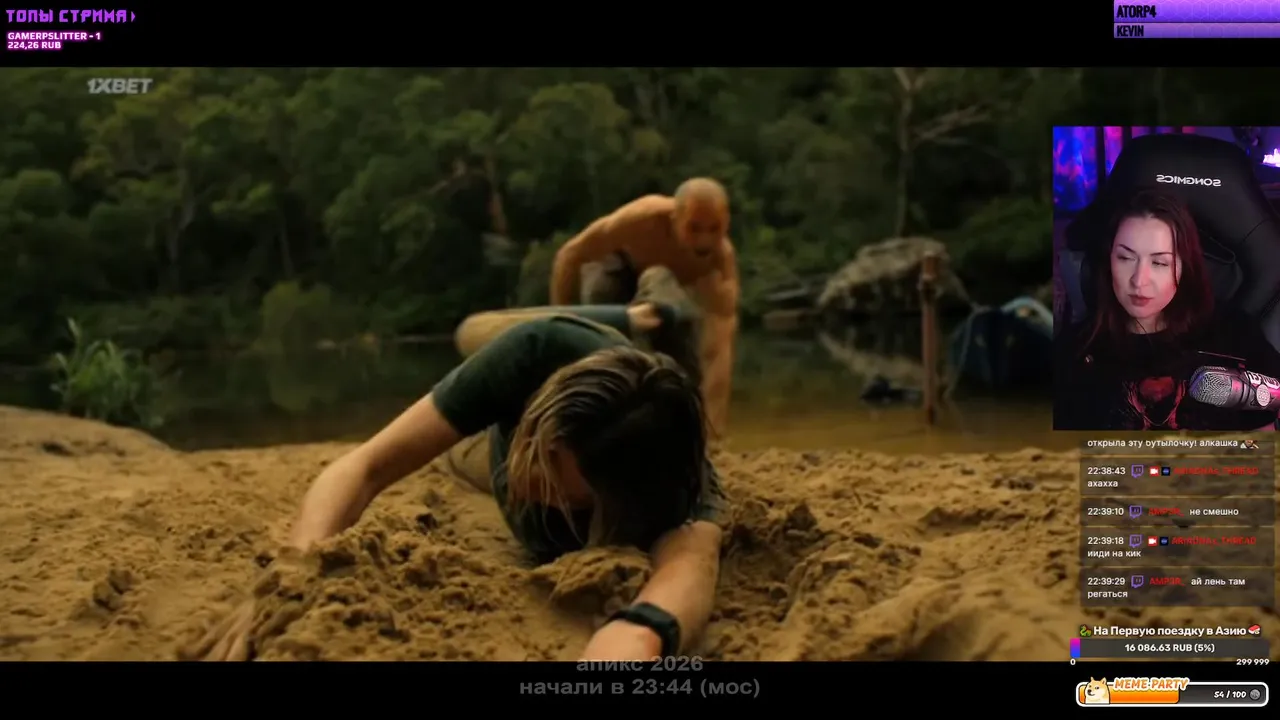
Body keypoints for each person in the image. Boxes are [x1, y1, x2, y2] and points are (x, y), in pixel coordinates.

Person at [186, 305, 728, 662]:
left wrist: (637, 634)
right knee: (476, 331)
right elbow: (365, 466)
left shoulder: (669, 477)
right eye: (539, 448)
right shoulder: (534, 359)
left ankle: (620, 322)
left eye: (553, 478)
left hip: (572, 433)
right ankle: (617, 316)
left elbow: (692, 561)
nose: (524, 476)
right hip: (516, 392)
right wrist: (289, 574)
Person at [1054, 188, 1280, 431]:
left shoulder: (1236, 335)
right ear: (1108, 261)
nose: (1139, 281)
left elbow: (1263, 438)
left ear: (1185, 267)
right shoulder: (1073, 352)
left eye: (1159, 262)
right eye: (1125, 258)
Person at [549, 178, 739, 439]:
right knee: (604, 349)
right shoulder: (642, 217)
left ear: (727, 222)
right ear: (674, 218)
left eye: (714, 229)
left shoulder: (720, 262)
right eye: (694, 228)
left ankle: (678, 429)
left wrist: (714, 428)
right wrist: (564, 320)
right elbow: (570, 254)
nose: (703, 241)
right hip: (614, 272)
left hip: (664, 302)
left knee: (685, 368)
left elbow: (720, 345)